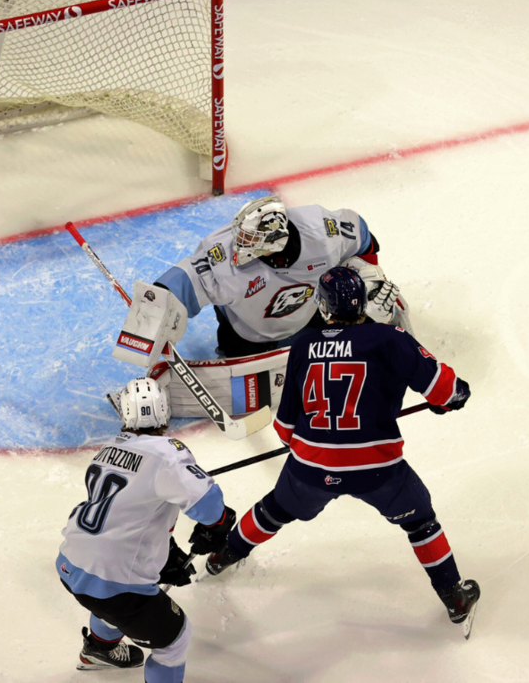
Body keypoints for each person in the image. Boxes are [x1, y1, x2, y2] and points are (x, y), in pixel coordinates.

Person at [199, 267, 480, 635]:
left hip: (311, 468)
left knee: (274, 509)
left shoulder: (304, 343)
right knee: (420, 522)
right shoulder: (389, 337)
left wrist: (318, 449)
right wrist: (454, 398)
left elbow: (284, 427)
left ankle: (223, 557)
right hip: (378, 470)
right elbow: (445, 390)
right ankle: (454, 597)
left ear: (323, 305)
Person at [56, 377, 237, 681]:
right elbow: (210, 508)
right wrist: (218, 526)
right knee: (175, 641)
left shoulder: (107, 449)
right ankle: (102, 646)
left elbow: (125, 513)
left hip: (69, 563)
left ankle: (99, 649)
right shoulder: (168, 453)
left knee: (109, 606)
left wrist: (163, 555)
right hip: (115, 581)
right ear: (165, 410)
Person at [152, 195, 413, 358]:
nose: (239, 246)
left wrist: (369, 285)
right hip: (246, 332)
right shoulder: (222, 257)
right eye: (241, 237)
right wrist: (154, 312)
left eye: (250, 240)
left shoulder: (322, 233)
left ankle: (384, 326)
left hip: (311, 312)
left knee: (369, 300)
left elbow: (365, 243)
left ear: (275, 241)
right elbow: (178, 285)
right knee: (239, 358)